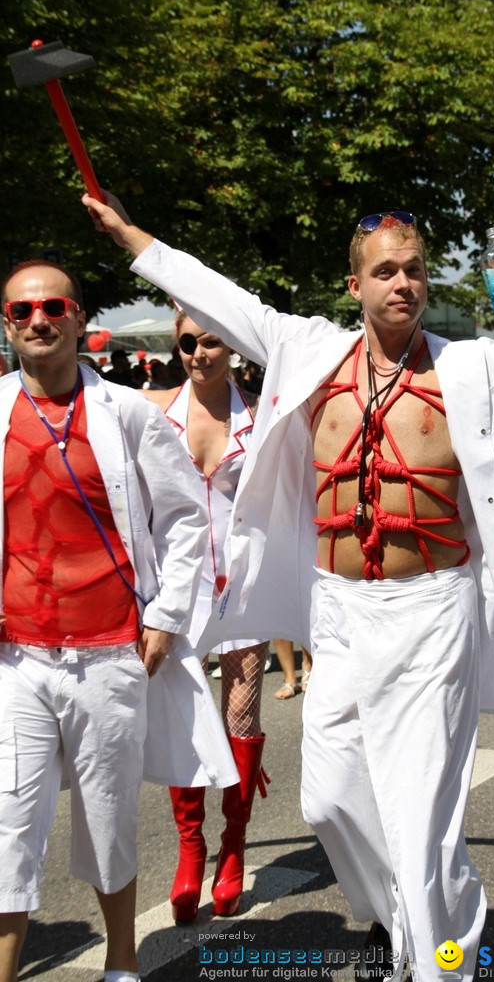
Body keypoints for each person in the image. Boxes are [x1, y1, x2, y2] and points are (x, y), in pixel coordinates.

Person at [83, 195, 494, 982]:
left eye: (414, 270)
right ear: (354, 284)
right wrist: (132, 237)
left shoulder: (473, 368)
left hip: (433, 611)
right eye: (385, 272)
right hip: (338, 610)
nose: (403, 284)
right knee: (328, 801)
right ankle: (413, 918)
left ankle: (439, 960)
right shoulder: (308, 353)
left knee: (420, 820)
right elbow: (218, 295)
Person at [0, 260, 238, 982]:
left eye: (53, 306)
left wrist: (165, 619)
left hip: (110, 656)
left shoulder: (128, 413)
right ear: (7, 324)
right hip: (16, 661)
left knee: (107, 820)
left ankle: (123, 963)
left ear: (77, 319)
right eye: (21, 310)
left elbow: (185, 518)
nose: (38, 319)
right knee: (9, 827)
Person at [144, 306, 269, 921]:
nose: (198, 353)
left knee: (241, 720)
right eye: (187, 342)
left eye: (211, 340)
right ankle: (190, 850)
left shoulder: (263, 415)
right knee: (184, 722)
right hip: (177, 595)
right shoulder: (151, 414)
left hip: (243, 591)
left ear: (234, 347)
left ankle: (234, 844)